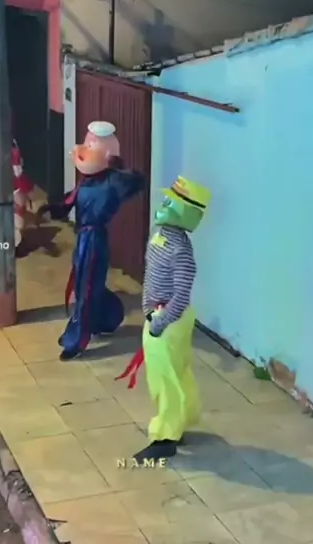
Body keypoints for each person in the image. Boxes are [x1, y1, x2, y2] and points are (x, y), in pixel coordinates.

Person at [116, 175, 212, 462]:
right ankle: (181, 419)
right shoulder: (160, 236)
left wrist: (160, 321)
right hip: (160, 314)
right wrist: (148, 307)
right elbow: (152, 276)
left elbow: (181, 295)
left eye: (171, 202)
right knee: (175, 371)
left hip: (170, 319)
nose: (164, 204)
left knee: (165, 377)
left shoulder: (180, 250)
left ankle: (166, 437)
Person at [37, 121, 145, 361]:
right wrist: (53, 209)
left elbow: (136, 182)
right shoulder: (88, 180)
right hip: (83, 239)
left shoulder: (113, 180)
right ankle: (108, 316)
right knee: (85, 284)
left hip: (95, 240)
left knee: (86, 288)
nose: (83, 149)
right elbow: (70, 201)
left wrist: (118, 168)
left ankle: (76, 339)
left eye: (90, 145)